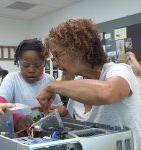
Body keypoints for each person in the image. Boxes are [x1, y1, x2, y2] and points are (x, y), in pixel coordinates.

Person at [36, 18, 141, 150]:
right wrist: (63, 114)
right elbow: (82, 129)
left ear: (79, 50)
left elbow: (106, 93)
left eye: (57, 55)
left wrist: (52, 86)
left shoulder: (119, 70)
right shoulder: (78, 84)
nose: (56, 63)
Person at [0, 38, 66, 131]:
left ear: (44, 63)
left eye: (38, 65)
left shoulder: (49, 80)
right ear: (17, 62)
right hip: (20, 135)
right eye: (25, 65)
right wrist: (17, 119)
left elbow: (58, 108)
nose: (31, 70)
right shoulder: (12, 79)